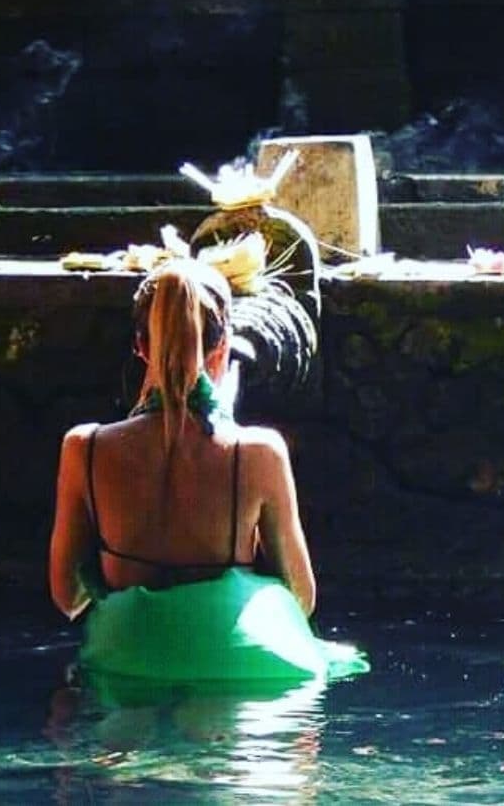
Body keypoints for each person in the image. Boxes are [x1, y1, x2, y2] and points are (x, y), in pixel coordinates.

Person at [47, 258, 364, 686]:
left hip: (128, 659)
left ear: (141, 345)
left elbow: (68, 598)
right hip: (230, 664)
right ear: (223, 344)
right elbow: (300, 598)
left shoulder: (83, 448)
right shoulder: (257, 452)